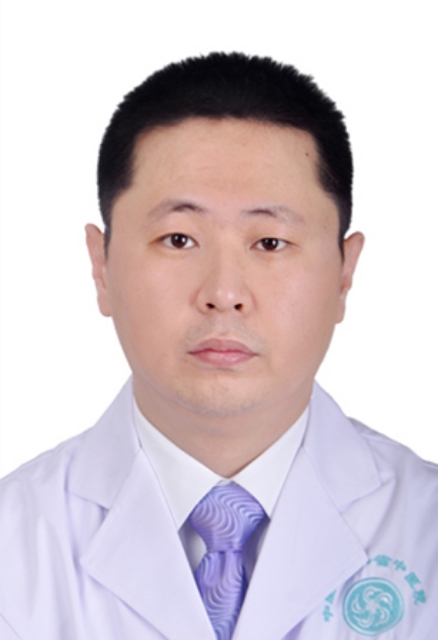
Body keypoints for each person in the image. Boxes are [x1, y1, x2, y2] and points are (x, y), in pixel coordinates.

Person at [0, 52, 436, 640]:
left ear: (343, 274)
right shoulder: (13, 546)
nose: (224, 294)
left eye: (271, 242)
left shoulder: (425, 526)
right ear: (101, 267)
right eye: (179, 239)